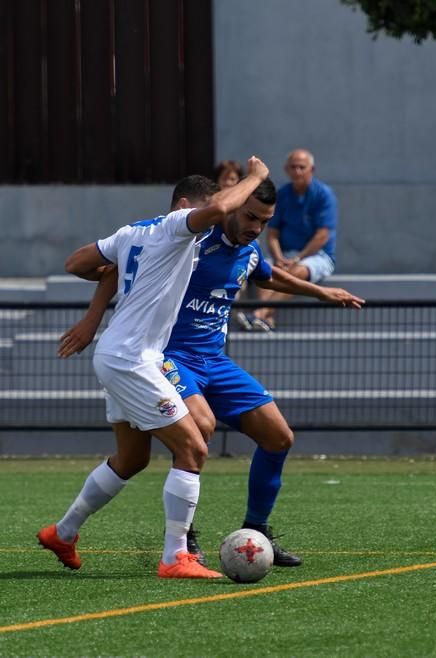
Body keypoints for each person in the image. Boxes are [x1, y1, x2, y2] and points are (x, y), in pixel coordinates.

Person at [57, 175, 365, 568]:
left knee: (279, 437)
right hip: (170, 356)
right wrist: (93, 319)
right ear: (232, 205)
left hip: (213, 361)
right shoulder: (192, 236)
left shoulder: (248, 251)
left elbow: (267, 275)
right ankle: (183, 541)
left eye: (265, 222)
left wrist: (322, 291)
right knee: (197, 429)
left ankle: (257, 531)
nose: (256, 227)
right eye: (251, 216)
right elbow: (115, 266)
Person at [38, 157, 271, 579]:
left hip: (120, 353)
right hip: (132, 359)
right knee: (194, 447)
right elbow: (217, 211)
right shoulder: (175, 227)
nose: (211, 222)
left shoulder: (133, 232)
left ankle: (63, 532)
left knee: (131, 459)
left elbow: (79, 264)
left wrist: (96, 315)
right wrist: (254, 178)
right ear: (183, 205)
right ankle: (175, 557)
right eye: (202, 212)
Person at [246, 149, 337, 331]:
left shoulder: (323, 195)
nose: (297, 171)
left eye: (301, 167)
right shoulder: (282, 194)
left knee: (296, 272)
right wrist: (279, 257)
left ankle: (260, 313)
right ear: (286, 169)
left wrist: (298, 258)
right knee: (266, 269)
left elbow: (322, 236)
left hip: (317, 256)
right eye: (293, 167)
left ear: (312, 169)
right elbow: (272, 233)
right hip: (285, 255)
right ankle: (266, 320)